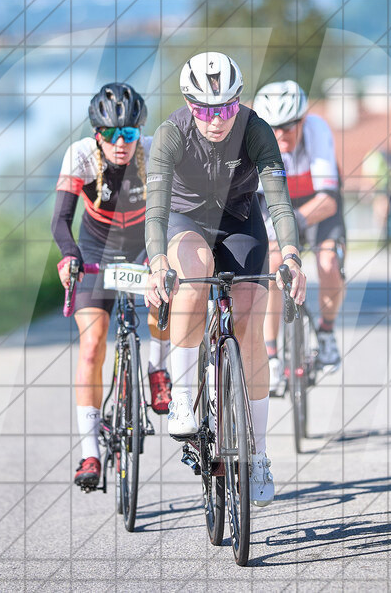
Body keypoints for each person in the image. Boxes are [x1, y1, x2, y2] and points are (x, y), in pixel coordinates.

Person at [144, 53, 306, 507]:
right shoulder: (172, 134)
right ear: (189, 104)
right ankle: (182, 397)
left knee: (250, 326)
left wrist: (293, 257)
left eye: (227, 107)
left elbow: (280, 203)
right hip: (187, 221)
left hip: (239, 221)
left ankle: (258, 455)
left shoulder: (256, 130)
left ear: (239, 101)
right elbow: (156, 211)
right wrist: (157, 262)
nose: (217, 120)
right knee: (195, 272)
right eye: (205, 110)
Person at [51, 82, 172, 490]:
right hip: (95, 251)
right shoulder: (81, 156)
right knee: (92, 346)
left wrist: (164, 257)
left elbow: (174, 210)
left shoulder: (153, 152)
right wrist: (69, 256)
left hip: (143, 246)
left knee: (164, 294)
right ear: (96, 134)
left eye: (129, 133)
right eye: (111, 134)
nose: (121, 143)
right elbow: (60, 220)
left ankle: (157, 369)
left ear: (140, 131)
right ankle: (90, 452)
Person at [252, 80, 346, 393]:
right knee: (272, 266)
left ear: (303, 120)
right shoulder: (256, 138)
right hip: (275, 206)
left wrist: (294, 223)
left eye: (288, 127)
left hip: (317, 206)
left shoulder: (317, 130)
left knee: (329, 262)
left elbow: (329, 200)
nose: (280, 135)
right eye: (273, 128)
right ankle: (272, 355)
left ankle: (327, 333)